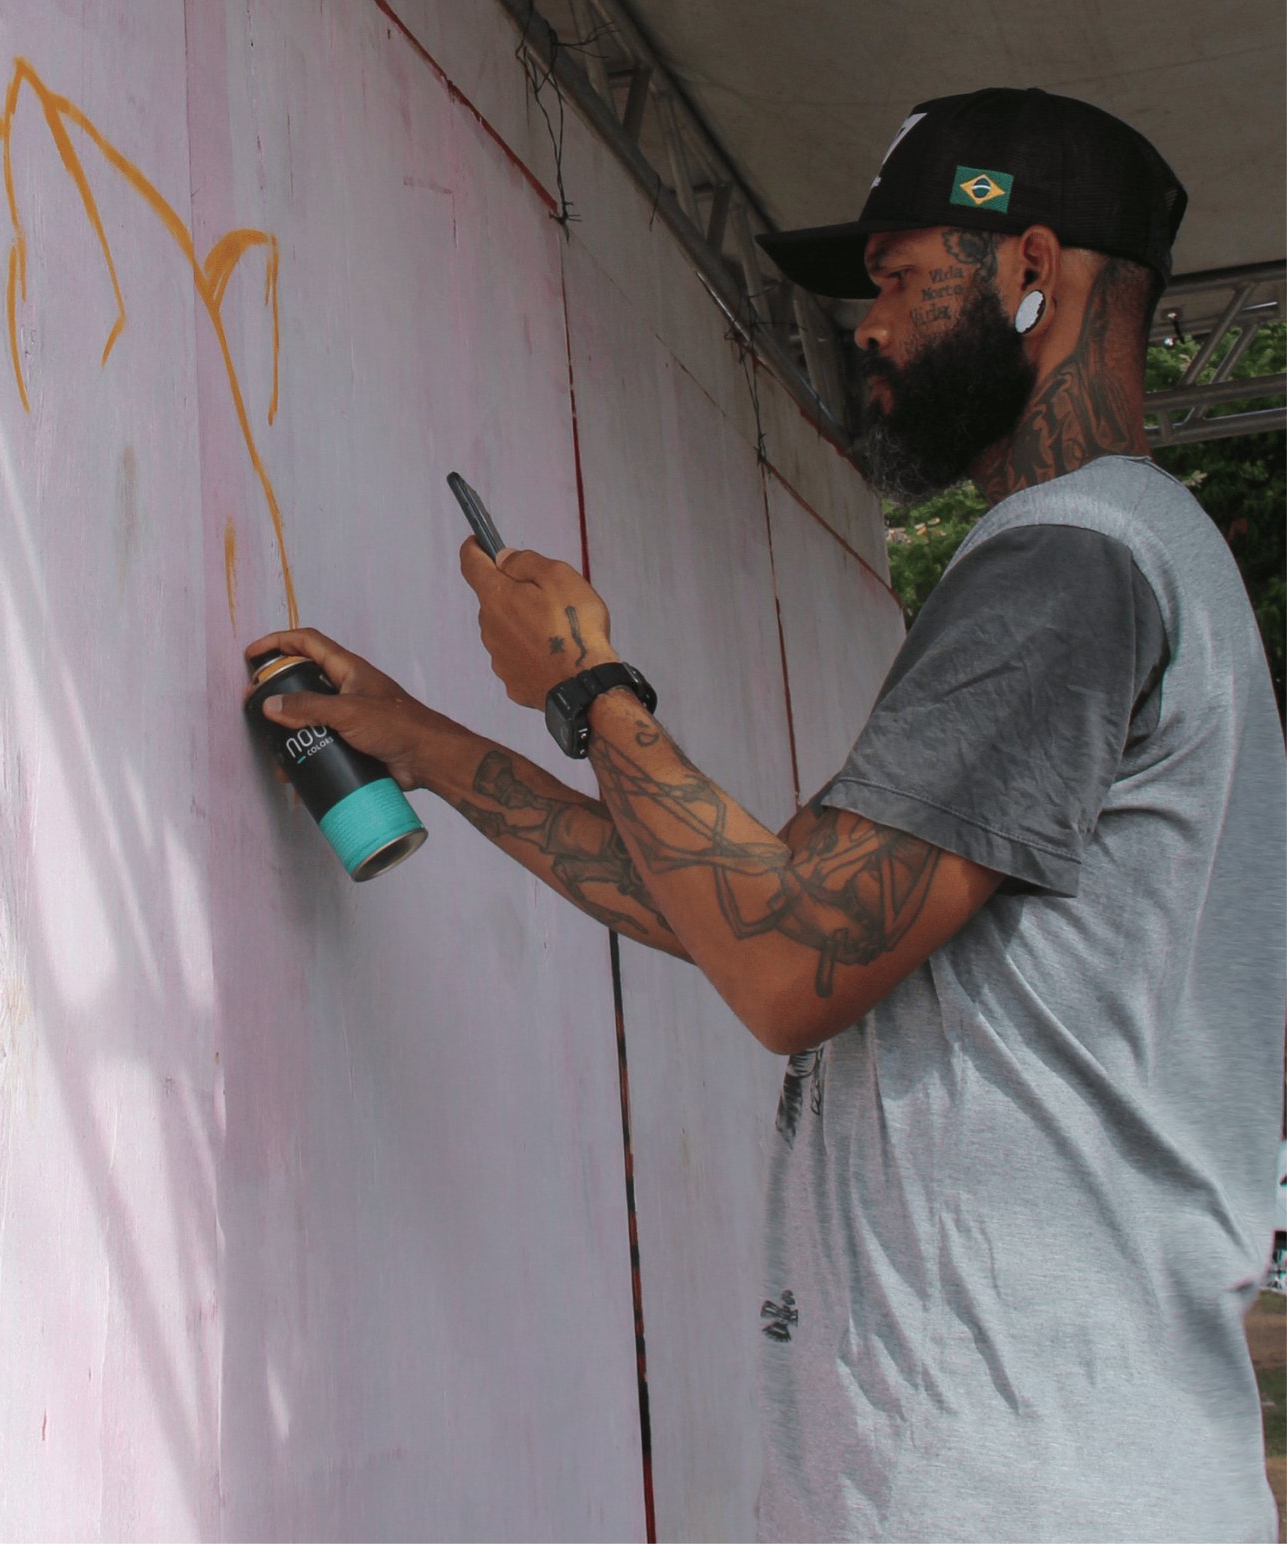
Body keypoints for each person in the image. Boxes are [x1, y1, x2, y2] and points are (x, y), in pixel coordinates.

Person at [248, 88, 1286, 1539]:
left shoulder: (1069, 567)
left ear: (1031, 268)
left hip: (1008, 1489)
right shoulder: (1137, 560)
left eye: (899, 277)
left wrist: (590, 685)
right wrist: (426, 744)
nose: (863, 327)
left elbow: (786, 958)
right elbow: (753, 898)